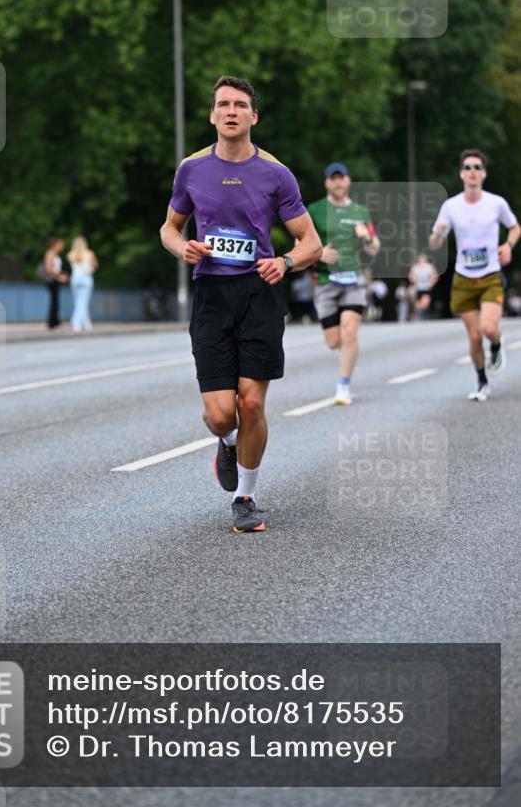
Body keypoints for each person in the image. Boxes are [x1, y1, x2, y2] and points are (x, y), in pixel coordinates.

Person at [160, 76, 322, 534]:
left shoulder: (275, 173)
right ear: (213, 115)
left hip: (258, 294)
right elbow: (170, 227)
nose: (231, 111)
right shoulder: (192, 169)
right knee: (220, 415)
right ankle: (228, 441)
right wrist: (183, 248)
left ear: (254, 116)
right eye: (224, 104)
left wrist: (285, 262)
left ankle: (245, 497)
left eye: (240, 105)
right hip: (212, 295)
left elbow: (311, 242)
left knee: (251, 403)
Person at [430, 149, 519, 401]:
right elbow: (434, 243)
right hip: (463, 278)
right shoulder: (451, 206)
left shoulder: (496, 203)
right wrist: (438, 234)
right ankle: (481, 381)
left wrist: (508, 246)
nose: (472, 172)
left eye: (477, 167)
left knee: (488, 328)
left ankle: (497, 344)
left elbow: (515, 227)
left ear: (484, 174)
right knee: (474, 336)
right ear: (461, 173)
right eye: (468, 167)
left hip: (490, 275)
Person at [307, 163, 380, 404]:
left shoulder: (360, 212)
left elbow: (374, 248)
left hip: (353, 279)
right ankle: (347, 349)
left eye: (342, 178)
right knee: (333, 342)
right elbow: (301, 244)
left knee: (350, 330)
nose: (338, 182)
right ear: (327, 183)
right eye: (333, 178)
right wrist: (320, 254)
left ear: (348, 181)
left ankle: (343, 387)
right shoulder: (315, 210)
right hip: (325, 281)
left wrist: (365, 236)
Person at [68, 235, 98, 332]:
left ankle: (86, 324)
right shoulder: (89, 253)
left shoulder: (71, 254)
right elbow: (95, 265)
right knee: (83, 302)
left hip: (75, 278)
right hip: (86, 278)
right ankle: (76, 322)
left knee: (79, 302)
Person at [44, 237, 67, 330]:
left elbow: (56, 268)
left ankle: (55, 320)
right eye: (60, 244)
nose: (62, 246)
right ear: (54, 245)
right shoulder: (50, 253)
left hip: (55, 280)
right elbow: (49, 269)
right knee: (54, 301)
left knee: (56, 301)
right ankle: (52, 322)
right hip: (52, 280)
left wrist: (62, 274)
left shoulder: (55, 254)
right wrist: (59, 277)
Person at [408, 253, 439, 320]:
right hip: (418, 288)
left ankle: (422, 314)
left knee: (425, 303)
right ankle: (419, 315)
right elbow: (410, 276)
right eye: (420, 259)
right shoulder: (415, 267)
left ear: (426, 259)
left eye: (423, 258)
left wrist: (431, 283)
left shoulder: (430, 267)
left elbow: (435, 276)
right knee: (417, 304)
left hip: (427, 288)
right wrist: (414, 280)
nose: (421, 260)